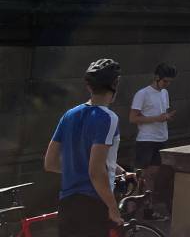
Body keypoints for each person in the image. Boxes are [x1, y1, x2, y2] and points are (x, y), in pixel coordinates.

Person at [44, 58, 124, 236]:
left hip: (67, 203)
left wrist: (119, 171)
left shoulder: (69, 115)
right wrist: (113, 208)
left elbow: (49, 163)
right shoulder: (108, 118)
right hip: (94, 202)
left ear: (89, 87)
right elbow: (95, 170)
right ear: (115, 84)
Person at [129, 63, 177, 219]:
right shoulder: (142, 94)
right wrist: (158, 118)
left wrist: (167, 117)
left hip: (161, 138)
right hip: (146, 139)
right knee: (143, 175)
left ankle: (147, 208)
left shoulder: (165, 93)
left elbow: (162, 114)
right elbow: (133, 118)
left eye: (169, 82)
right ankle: (133, 209)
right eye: (165, 81)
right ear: (157, 78)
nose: (167, 85)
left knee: (153, 175)